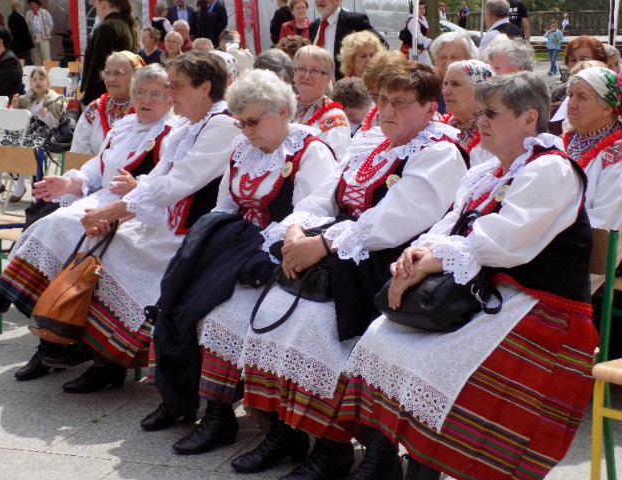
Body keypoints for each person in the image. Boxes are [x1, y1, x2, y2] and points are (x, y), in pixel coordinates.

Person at [338, 71, 597, 480]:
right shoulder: (490, 170)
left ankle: (423, 467)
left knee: (431, 360)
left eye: (492, 113)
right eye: (480, 113)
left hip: (542, 309)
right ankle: (384, 457)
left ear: (530, 119)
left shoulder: (551, 169)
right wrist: (415, 255)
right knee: (381, 338)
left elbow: (504, 240)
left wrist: (430, 262)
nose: (481, 122)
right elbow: (451, 223)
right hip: (488, 293)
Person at [232, 61, 467, 479]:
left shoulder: (440, 152)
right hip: (343, 252)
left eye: (401, 102)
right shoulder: (372, 143)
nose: (388, 110)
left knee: (313, 325)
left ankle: (334, 444)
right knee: (272, 314)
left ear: (431, 109)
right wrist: (296, 228)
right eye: (383, 100)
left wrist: (320, 244)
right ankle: (288, 433)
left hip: (390, 263)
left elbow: (394, 222)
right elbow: (325, 196)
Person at [141, 68, 337, 440]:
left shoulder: (309, 151)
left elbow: (310, 217)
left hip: (278, 258)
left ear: (282, 111)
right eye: (241, 123)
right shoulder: (241, 149)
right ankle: (176, 399)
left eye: (253, 122)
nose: (246, 131)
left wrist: (245, 252)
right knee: (173, 295)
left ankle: (218, 415)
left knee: (222, 315)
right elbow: (223, 209)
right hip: (236, 253)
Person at [0, 64, 181, 382]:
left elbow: (170, 184)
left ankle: (91, 357)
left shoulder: (173, 133)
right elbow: (97, 168)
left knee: (84, 244)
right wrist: (69, 182)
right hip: (104, 201)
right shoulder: (124, 126)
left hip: (142, 215)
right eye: (140, 92)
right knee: (55, 224)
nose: (146, 99)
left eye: (155, 93)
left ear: (170, 98)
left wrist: (137, 187)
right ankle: (46, 337)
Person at [563, 66, 622, 291]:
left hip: (590, 255)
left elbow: (604, 227)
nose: (571, 104)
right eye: (570, 95)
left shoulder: (617, 155)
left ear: (608, 107)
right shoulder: (564, 141)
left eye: (582, 97)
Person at [0, 67, 67, 203]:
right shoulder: (28, 99)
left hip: (45, 136)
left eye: (41, 79)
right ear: (30, 83)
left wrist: (45, 115)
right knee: (6, 143)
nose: (38, 82)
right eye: (34, 79)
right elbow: (17, 118)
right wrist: (16, 106)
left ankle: (19, 188)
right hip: (27, 134)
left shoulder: (55, 100)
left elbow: (56, 124)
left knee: (27, 148)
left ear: (48, 83)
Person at [72, 51, 141, 154]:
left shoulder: (145, 108)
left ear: (135, 75)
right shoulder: (94, 109)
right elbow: (79, 152)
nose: (111, 79)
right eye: (107, 73)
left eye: (118, 73)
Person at [292, 45, 350, 158]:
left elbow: (332, 161)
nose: (306, 76)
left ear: (327, 78)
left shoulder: (333, 117)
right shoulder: (283, 107)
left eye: (314, 71)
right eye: (301, 69)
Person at [309, 0, 387, 80]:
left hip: (344, 86)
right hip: (316, 85)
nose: (320, 1)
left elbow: (382, 45)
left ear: (338, 1)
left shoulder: (354, 21)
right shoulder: (313, 26)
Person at [80, 0, 137, 107]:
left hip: (102, 97)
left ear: (103, 4)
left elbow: (97, 66)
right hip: (120, 94)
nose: (97, 12)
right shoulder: (125, 26)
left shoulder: (107, 27)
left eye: (96, 8)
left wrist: (87, 101)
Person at [442, 59, 494, 166]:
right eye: (445, 84)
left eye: (455, 84)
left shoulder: (493, 133)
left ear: (480, 91)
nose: (445, 91)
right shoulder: (438, 127)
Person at [360, 49, 407, 132]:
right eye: (374, 96)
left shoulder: (416, 117)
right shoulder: (372, 116)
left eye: (384, 98)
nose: (379, 103)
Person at [399, 1, 432, 67]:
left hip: (420, 49)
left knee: (428, 68)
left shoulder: (422, 20)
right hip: (411, 50)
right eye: (420, 8)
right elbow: (418, 36)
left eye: (423, 8)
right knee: (411, 69)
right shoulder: (413, 21)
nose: (422, 10)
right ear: (415, 9)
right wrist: (428, 42)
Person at [24, 0, 53, 66]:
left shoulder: (45, 12)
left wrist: (47, 31)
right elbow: (26, 24)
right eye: (31, 5)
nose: (32, 6)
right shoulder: (28, 13)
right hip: (33, 35)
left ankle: (47, 70)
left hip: (42, 35)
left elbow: (50, 23)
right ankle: (37, 69)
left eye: (33, 4)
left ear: (38, 5)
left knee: (45, 54)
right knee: (35, 55)